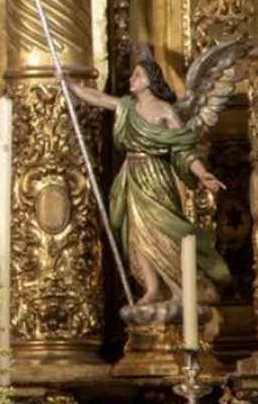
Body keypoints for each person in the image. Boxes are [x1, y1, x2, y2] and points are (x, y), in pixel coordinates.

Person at [69, 49, 231, 308]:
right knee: (137, 233)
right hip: (132, 176)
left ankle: (179, 287)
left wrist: (202, 173)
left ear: (148, 81)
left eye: (137, 74)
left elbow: (183, 148)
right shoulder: (127, 107)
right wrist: (70, 87)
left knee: (164, 229)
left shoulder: (166, 111)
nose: (132, 79)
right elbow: (99, 98)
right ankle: (153, 287)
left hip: (157, 177)